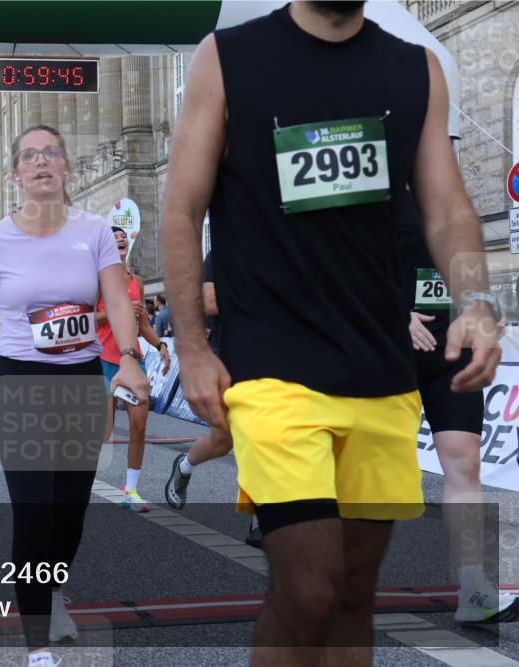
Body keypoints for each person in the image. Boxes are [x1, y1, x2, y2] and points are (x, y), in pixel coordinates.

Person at [161, 3, 501, 665]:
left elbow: (446, 205)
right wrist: (193, 348)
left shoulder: (416, 68)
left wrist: (477, 300)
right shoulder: (227, 58)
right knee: (307, 590)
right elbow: (181, 207)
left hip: (381, 373)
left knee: (351, 594)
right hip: (274, 370)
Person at [0, 125, 149, 667]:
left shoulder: (95, 231)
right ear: (16, 175)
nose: (40, 162)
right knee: (33, 510)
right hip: (22, 385)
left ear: (65, 168)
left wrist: (128, 357)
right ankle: (37, 647)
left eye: (50, 153)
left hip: (81, 384)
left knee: (70, 510)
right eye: (29, 156)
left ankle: (53, 590)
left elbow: (117, 299)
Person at [398, 196, 518, 624]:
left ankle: (473, 587)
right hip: (391, 346)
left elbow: (468, 268)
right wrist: (393, 314)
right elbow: (342, 268)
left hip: (453, 349)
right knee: (370, 468)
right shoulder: (378, 192)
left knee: (465, 463)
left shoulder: (451, 204)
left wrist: (487, 313)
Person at [164, 251, 259, 545]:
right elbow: (207, 300)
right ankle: (184, 465)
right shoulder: (224, 251)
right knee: (223, 441)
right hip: (229, 355)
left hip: (274, 355)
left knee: (264, 434)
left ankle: (262, 518)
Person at [98, 226, 171, 513]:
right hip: (103, 360)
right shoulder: (98, 278)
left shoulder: (136, 281)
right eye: (114, 239)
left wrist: (160, 345)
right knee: (103, 433)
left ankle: (131, 490)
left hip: (132, 358)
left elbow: (143, 325)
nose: (121, 241)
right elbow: (89, 318)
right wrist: (119, 309)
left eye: (123, 238)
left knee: (139, 425)